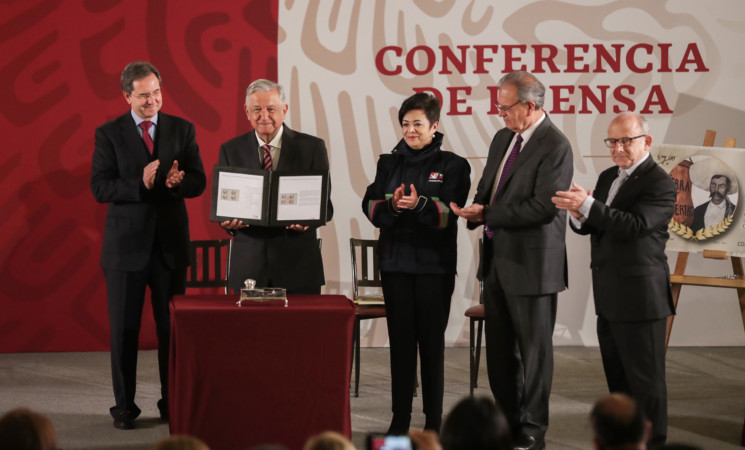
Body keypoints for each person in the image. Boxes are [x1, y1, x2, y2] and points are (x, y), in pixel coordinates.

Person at [451, 71, 573, 450]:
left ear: (530, 106)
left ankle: (534, 429)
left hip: (534, 266)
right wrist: (475, 208)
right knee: (501, 352)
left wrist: (488, 214)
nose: (498, 113)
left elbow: (541, 208)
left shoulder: (556, 145)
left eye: (504, 108)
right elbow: (489, 188)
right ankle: (508, 421)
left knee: (534, 354)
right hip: (498, 263)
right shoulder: (504, 138)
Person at [91, 61, 206, 429]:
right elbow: (100, 187)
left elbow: (199, 181)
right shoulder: (108, 133)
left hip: (169, 248)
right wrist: (139, 183)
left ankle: (171, 402)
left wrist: (178, 183)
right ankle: (124, 407)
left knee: (170, 330)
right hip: (124, 251)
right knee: (124, 331)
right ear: (127, 96)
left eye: (156, 92)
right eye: (143, 95)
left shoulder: (182, 128)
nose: (152, 100)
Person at [552, 112, 676, 447]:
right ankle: (624, 442)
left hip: (641, 299)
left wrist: (589, 204)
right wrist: (579, 213)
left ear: (646, 141)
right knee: (619, 383)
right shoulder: (609, 176)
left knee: (647, 385)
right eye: (612, 141)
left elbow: (634, 226)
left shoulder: (661, 183)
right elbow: (599, 223)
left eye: (626, 140)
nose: (618, 148)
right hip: (608, 297)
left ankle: (653, 443)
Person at [362, 92, 471, 434]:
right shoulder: (388, 163)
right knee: (401, 344)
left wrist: (420, 203)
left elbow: (448, 215)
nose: (411, 130)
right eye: (406, 124)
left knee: (431, 345)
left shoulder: (454, 165)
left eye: (418, 124)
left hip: (433, 268)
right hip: (395, 266)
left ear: (434, 125)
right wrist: (394, 205)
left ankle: (433, 423)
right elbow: (371, 206)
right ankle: (400, 420)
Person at [219, 79, 333, 294]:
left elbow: (326, 206)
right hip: (248, 266)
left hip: (298, 264)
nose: (264, 116)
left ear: (284, 110)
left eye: (271, 109)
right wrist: (228, 223)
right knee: (250, 329)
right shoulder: (230, 149)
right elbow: (227, 205)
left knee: (299, 329)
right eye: (256, 110)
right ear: (246, 111)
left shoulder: (312, 148)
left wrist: (308, 221)